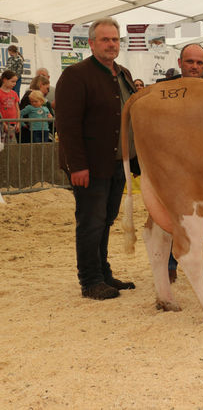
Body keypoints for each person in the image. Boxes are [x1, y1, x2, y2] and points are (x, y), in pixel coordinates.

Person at [56, 17, 137, 300]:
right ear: (91, 43)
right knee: (91, 221)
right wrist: (77, 165)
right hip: (90, 164)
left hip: (116, 163)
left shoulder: (123, 73)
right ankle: (90, 280)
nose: (111, 44)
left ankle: (104, 273)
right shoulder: (76, 75)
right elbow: (67, 125)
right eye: (105, 39)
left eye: (115, 39)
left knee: (105, 220)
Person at [160, 44, 203, 286]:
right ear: (180, 63)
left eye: (199, 63)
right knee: (170, 216)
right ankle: (169, 266)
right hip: (174, 166)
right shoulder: (166, 92)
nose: (195, 67)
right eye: (190, 62)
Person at [19, 75, 53, 143]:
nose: (48, 91)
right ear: (41, 85)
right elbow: (22, 114)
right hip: (31, 132)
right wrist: (25, 124)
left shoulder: (30, 97)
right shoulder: (30, 97)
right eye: (47, 88)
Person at [0, 70, 20, 144]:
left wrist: (18, 122)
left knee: (12, 145)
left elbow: (17, 109)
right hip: (2, 124)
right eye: (12, 81)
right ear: (4, 80)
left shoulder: (14, 94)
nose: (14, 84)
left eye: (15, 82)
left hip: (12, 124)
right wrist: (3, 123)